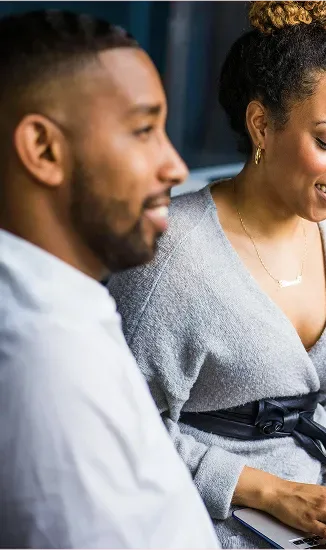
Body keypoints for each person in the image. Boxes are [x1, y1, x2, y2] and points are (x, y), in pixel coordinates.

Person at [106, 1, 326, 548]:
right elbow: (118, 430)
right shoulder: (172, 255)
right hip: (208, 515)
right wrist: (269, 491)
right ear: (261, 125)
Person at [0, 9, 220, 548]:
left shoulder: (60, 309)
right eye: (144, 130)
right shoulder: (46, 360)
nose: (175, 167)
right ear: (45, 150)